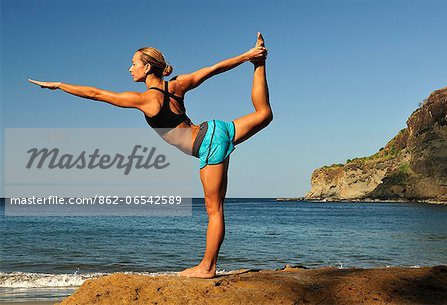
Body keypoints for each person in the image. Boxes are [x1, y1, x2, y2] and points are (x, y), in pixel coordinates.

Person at [29, 32, 272, 279]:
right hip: (214, 129)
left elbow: (96, 94)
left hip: (206, 144)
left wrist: (59, 85)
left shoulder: (146, 100)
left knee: (214, 210)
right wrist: (248, 56)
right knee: (264, 114)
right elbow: (214, 68)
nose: (129, 68)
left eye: (133, 64)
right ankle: (259, 65)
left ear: (146, 67)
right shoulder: (177, 84)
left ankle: (207, 268)